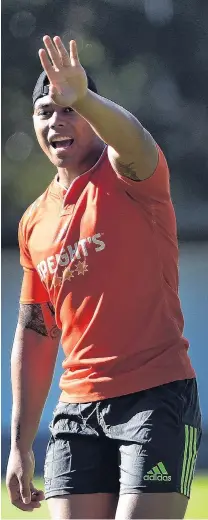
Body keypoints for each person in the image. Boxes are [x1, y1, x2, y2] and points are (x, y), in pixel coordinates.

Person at [6, 35, 202, 520]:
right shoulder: (33, 221)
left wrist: (87, 99)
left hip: (154, 399)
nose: (57, 121)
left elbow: (133, 139)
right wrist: (20, 444)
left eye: (69, 109)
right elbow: (36, 331)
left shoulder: (128, 174)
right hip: (75, 414)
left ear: (92, 117)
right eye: (45, 111)